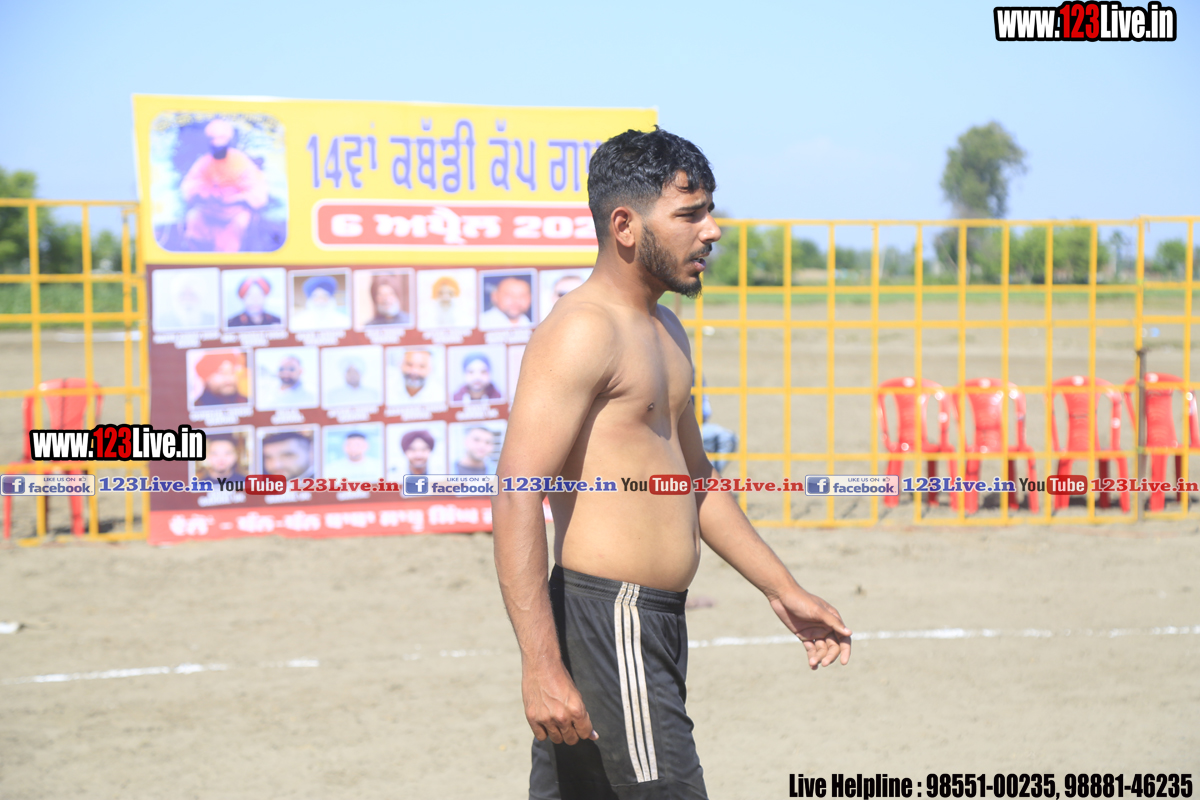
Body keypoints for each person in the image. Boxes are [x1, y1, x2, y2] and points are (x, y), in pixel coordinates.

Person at [492, 128, 852, 800]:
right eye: (689, 215)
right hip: (613, 619)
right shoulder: (583, 330)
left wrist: (782, 589)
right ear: (625, 227)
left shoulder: (665, 329)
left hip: (654, 621)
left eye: (708, 212)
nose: (711, 231)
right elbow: (517, 493)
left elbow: (696, 481)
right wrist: (540, 665)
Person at [180, 118, 269, 253]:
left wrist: (236, 198)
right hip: (210, 210)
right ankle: (199, 256)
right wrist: (205, 194)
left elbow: (258, 190)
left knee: (240, 223)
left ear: (228, 141)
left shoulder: (240, 161)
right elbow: (189, 186)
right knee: (193, 217)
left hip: (235, 211)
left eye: (221, 142)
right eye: (213, 141)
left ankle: (228, 257)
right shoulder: (204, 162)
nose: (217, 145)